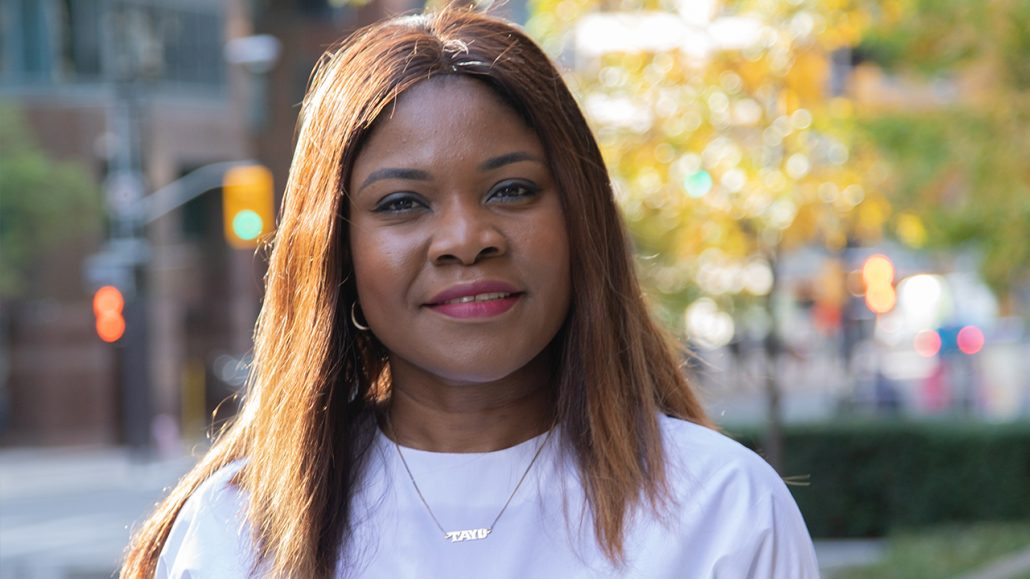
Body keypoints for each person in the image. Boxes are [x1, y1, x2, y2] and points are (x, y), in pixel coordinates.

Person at [122, 7, 820, 579]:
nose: (466, 236)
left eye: (512, 189)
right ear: (337, 251)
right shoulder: (235, 531)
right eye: (401, 202)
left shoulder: (724, 510)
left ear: (581, 221)